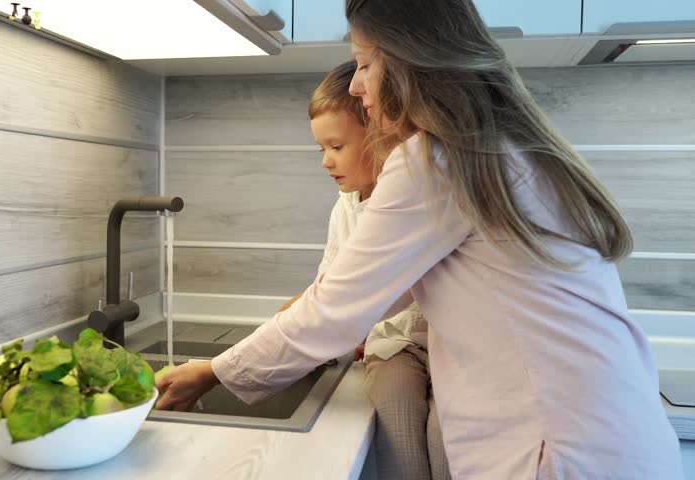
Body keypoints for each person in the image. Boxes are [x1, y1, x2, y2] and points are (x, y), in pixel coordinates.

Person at [155, 0, 684, 478]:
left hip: (561, 450)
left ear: (411, 61)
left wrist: (212, 371)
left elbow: (334, 311)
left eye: (363, 63)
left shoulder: (436, 160)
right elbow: (383, 294)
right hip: (619, 437)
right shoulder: (501, 150)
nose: (357, 87)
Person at [289, 60, 449, 480]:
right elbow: (327, 293)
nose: (326, 161)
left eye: (336, 146)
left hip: (450, 346)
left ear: (380, 135)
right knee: (401, 440)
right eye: (321, 148)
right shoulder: (344, 208)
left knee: (445, 441)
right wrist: (290, 324)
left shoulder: (426, 194)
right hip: (392, 348)